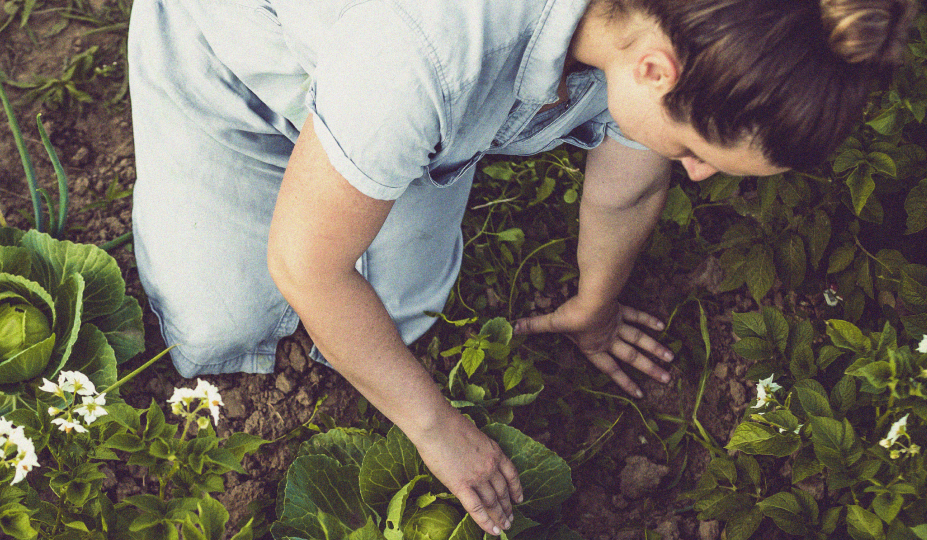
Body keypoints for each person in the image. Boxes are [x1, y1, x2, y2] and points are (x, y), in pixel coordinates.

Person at [127, 0, 915, 534]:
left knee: (398, 322)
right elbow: (306, 268)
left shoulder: (677, 27)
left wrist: (595, 304)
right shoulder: (428, 50)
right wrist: (439, 431)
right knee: (218, 331)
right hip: (242, 67)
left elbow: (630, 175)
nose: (697, 178)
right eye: (695, 154)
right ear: (655, 71)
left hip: (406, 115)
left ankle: (374, 167)